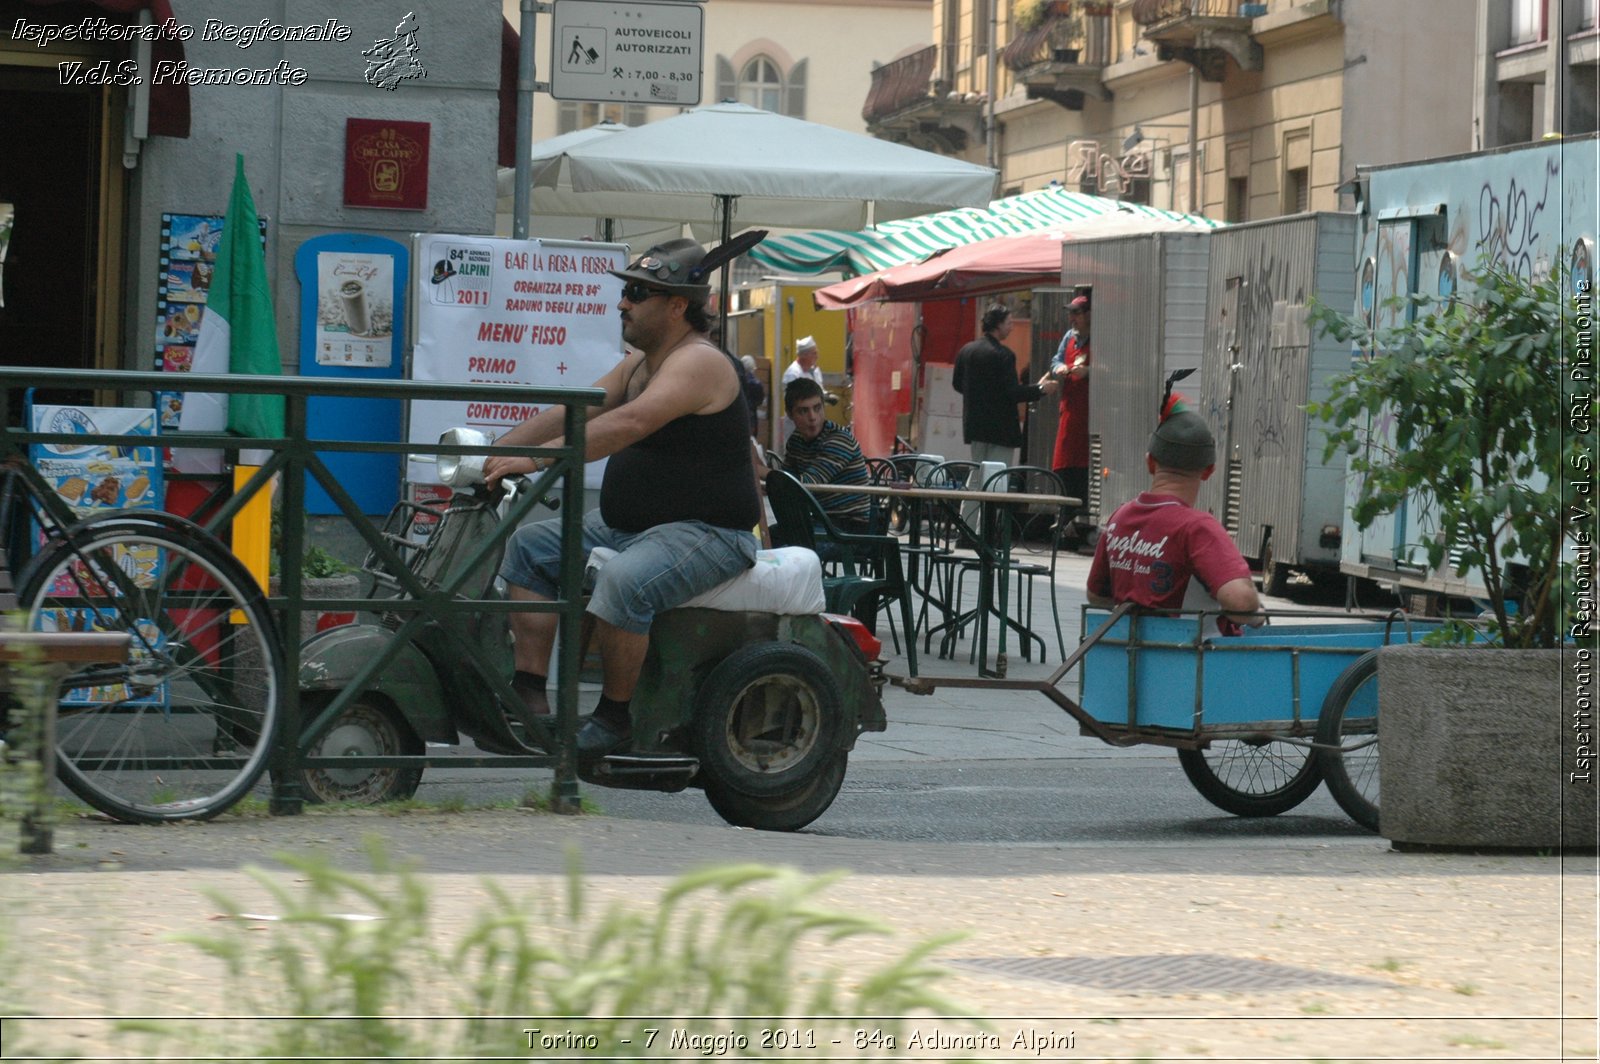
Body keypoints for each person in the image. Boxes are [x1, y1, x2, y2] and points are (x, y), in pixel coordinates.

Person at [483, 237, 760, 757]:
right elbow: (577, 407)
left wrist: (538, 459)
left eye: (637, 292)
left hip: (709, 533)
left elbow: (631, 421)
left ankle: (615, 720)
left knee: (625, 580)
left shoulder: (698, 362)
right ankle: (529, 695)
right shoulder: (640, 362)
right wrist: (495, 451)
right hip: (634, 529)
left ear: (678, 305)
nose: (622, 303)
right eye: (626, 291)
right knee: (530, 549)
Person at [1086, 410, 1264, 633]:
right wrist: (1256, 613)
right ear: (1209, 471)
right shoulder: (1197, 528)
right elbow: (1241, 604)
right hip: (1191, 660)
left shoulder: (1119, 518)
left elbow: (1096, 594)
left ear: (1150, 463)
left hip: (1127, 656)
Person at [952, 304, 1058, 523]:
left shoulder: (967, 350)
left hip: (975, 426)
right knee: (996, 479)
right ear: (998, 324)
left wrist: (979, 398)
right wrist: (1040, 389)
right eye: (1009, 322)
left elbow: (957, 384)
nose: (1011, 327)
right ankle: (988, 530)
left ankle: (966, 526)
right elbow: (1011, 393)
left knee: (976, 476)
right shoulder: (1004, 355)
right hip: (1001, 428)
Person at [755, 376, 873, 534]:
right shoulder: (796, 440)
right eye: (803, 411)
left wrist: (759, 470)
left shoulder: (839, 439)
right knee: (764, 543)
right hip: (819, 521)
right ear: (790, 414)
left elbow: (805, 485)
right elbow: (787, 484)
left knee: (784, 551)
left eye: (817, 408)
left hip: (849, 527)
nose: (812, 417)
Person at [1042, 294, 1091, 543]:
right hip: (1070, 410)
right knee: (1064, 464)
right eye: (1071, 313)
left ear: (1089, 314)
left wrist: (1090, 371)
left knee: (1085, 466)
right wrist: (1059, 368)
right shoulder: (1069, 337)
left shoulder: (1098, 336)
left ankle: (1075, 519)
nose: (1072, 318)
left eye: (1077, 313)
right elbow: (1055, 361)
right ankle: (1064, 518)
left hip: (1092, 413)